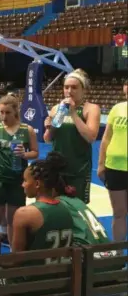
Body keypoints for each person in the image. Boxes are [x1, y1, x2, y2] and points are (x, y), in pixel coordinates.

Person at [0, 94, 39, 244]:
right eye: (1, 112)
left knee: (14, 221)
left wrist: (25, 154)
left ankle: (14, 256)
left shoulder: (28, 130)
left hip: (18, 181)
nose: (4, 116)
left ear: (15, 111)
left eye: (7, 112)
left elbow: (35, 152)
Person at [44, 69, 101, 204]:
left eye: (74, 87)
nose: (69, 91)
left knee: (77, 208)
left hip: (78, 169)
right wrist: (49, 126)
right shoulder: (56, 108)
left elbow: (91, 137)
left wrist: (73, 113)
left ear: (84, 90)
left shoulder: (91, 109)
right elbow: (47, 139)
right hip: (57, 168)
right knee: (56, 207)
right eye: (66, 87)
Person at [13, 151, 74, 258]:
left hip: (35, 273)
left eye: (25, 180)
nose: (23, 185)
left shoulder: (24, 214)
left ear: (37, 184)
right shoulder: (67, 207)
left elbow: (15, 259)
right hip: (65, 273)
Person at [97, 80, 128, 245]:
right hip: (114, 167)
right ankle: (117, 252)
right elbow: (106, 137)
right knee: (119, 213)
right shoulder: (117, 108)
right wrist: (101, 163)